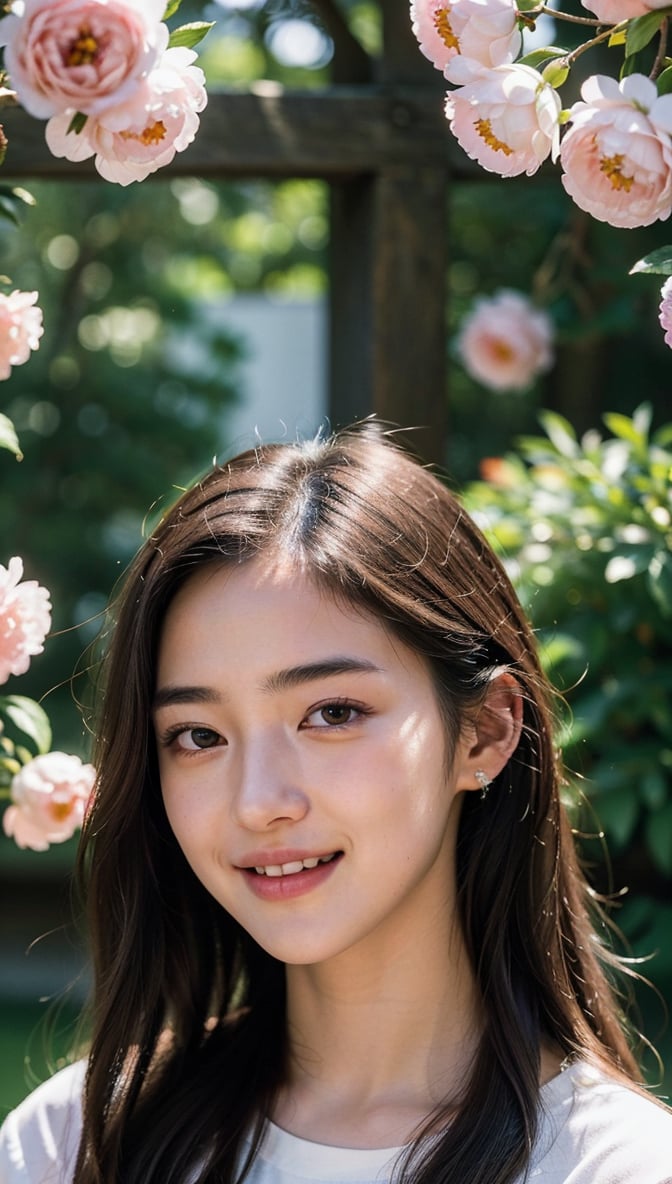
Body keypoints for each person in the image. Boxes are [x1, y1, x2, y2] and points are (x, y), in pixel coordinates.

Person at [1, 423, 671, 1184]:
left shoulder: (615, 1168)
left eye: (333, 714)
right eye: (196, 734)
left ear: (484, 732)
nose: (259, 803)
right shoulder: (72, 1145)